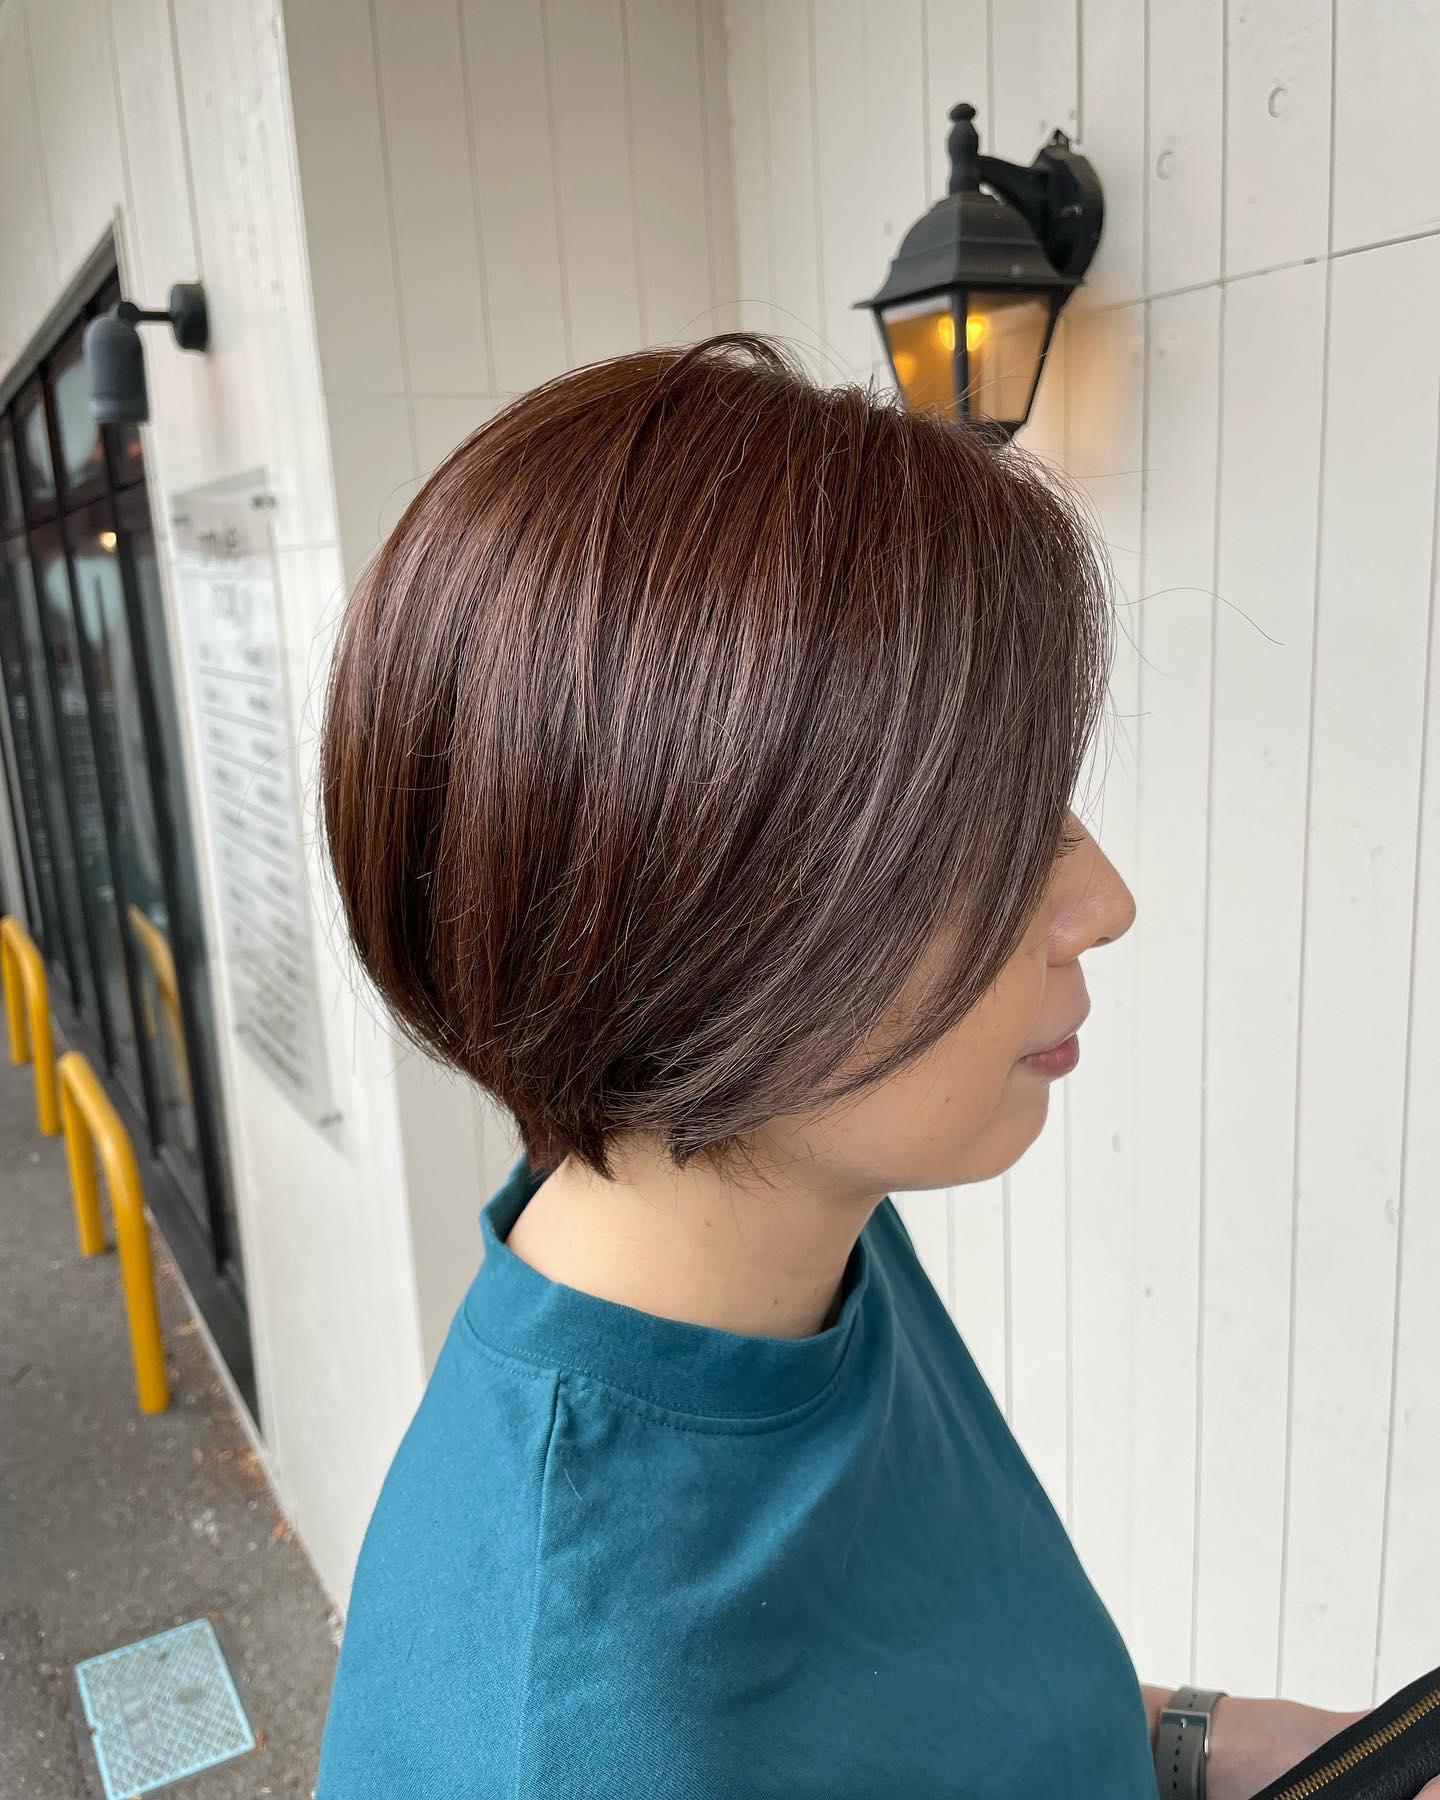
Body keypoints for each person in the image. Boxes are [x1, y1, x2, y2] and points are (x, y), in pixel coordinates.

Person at [314, 335, 1396, 1798]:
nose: (1105, 902)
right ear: (698, 917)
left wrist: (1221, 1748)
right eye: (992, 834)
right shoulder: (571, 1745)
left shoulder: (784, 1227)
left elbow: (937, 1723)